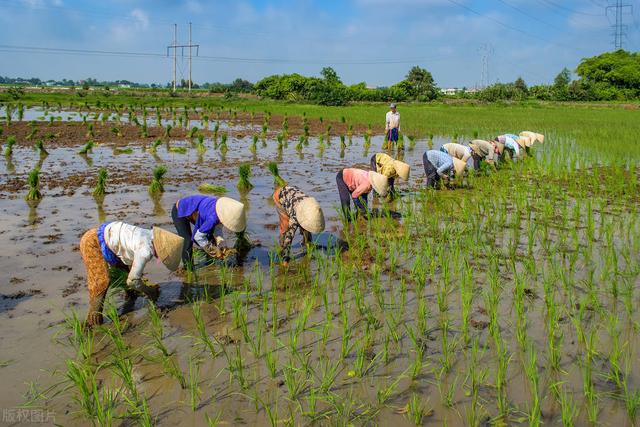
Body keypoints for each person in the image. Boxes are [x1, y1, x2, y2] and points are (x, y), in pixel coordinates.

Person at [80, 222, 184, 326]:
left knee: (125, 270)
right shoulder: (145, 251)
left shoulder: (150, 234)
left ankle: (131, 295)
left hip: (109, 237)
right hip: (92, 243)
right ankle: (93, 321)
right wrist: (149, 291)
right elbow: (133, 281)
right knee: (101, 283)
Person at [172, 195, 246, 269]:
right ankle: (188, 269)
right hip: (179, 210)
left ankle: (209, 259)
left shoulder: (220, 212)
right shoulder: (213, 218)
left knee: (209, 236)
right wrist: (213, 250)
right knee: (187, 241)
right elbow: (198, 236)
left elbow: (217, 230)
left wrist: (221, 243)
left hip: (195, 212)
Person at [273, 185, 325, 266]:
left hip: (294, 195)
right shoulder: (295, 217)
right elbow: (289, 237)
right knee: (285, 227)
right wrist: (285, 260)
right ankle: (282, 249)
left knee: (306, 225)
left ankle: (307, 243)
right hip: (280, 196)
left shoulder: (311, 206)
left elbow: (308, 223)